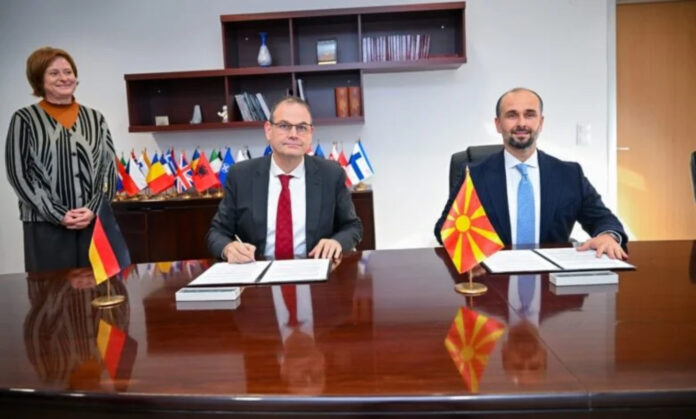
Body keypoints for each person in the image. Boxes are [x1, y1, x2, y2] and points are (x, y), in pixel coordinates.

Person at [435, 87, 628, 259]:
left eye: (529, 115)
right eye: (511, 115)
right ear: (498, 124)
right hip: (493, 276)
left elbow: (603, 219)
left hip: (551, 278)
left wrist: (607, 236)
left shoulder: (569, 175)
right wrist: (473, 250)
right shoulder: (475, 175)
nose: (521, 123)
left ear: (541, 122)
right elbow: (445, 228)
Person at [207, 96, 362, 262]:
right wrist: (228, 248)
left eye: (302, 127)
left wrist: (337, 242)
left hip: (313, 268)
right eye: (284, 126)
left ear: (310, 133)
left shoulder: (331, 174)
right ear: (268, 130)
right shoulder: (241, 175)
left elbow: (353, 227)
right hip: (257, 269)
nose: (293, 135)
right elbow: (217, 233)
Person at [5, 47, 116, 272]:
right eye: (54, 73)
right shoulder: (24, 119)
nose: (64, 78)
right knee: (51, 290)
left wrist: (93, 209)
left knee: (96, 287)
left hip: (92, 224)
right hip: (45, 227)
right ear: (39, 80)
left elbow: (108, 168)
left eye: (68, 72)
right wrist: (58, 214)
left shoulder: (96, 118)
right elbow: (19, 174)